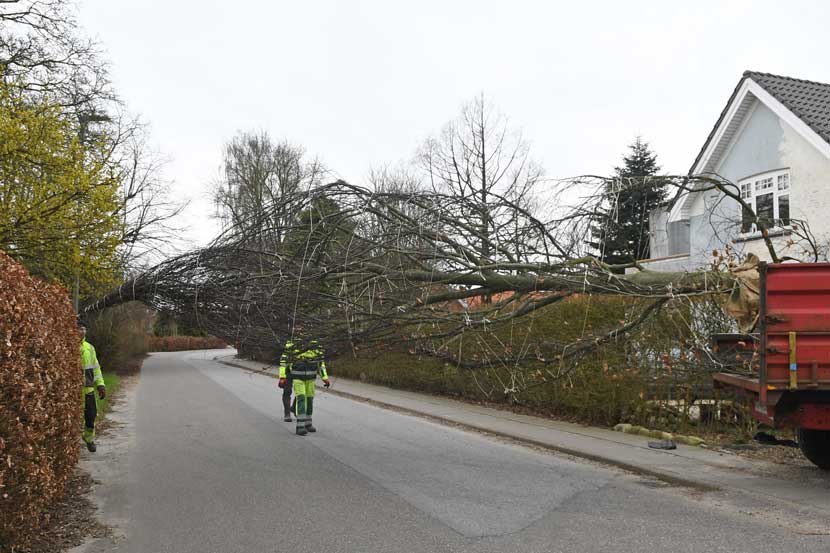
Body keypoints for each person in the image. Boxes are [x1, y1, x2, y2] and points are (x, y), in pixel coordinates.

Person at [278, 338, 330, 436]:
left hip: (310, 378)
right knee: (301, 399)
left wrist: (325, 378)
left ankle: (308, 423)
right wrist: (282, 377)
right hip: (298, 377)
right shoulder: (292, 342)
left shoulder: (316, 343)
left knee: (309, 400)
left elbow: (321, 363)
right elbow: (284, 361)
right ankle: (300, 426)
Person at [79, 325, 106, 452]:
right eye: (79, 328)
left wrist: (100, 385)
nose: (82, 331)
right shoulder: (67, 346)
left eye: (84, 329)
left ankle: (89, 439)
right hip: (74, 391)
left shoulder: (90, 348)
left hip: (88, 389)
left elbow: (96, 368)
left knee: (91, 416)